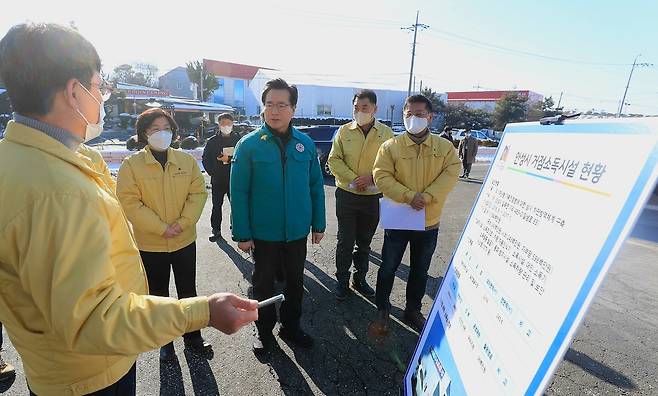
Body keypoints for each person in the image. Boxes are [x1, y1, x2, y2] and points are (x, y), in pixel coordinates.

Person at [0, 23, 257, 395]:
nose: (103, 97)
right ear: (75, 92)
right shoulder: (60, 192)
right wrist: (205, 312)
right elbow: (96, 320)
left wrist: (182, 222)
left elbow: (195, 193)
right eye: (99, 87)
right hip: (91, 375)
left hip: (56, 365)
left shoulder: (32, 159)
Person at [231, 78, 326, 354]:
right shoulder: (248, 145)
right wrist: (243, 233)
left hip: (296, 232)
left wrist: (318, 223)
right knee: (263, 284)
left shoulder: (305, 144)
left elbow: (315, 186)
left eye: (282, 105)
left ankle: (291, 327)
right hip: (264, 233)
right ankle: (264, 331)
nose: (275, 110)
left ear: (293, 109)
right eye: (269, 104)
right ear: (263, 107)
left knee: (296, 282)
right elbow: (239, 193)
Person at [117, 108, 213, 361]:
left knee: (188, 290)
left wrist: (183, 223)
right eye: (155, 129)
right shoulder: (132, 165)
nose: (162, 134)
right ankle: (164, 342)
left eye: (167, 128)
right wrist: (162, 228)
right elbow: (129, 203)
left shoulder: (186, 161)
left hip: (184, 240)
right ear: (143, 134)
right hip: (150, 243)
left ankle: (193, 337)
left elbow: (198, 193)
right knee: (157, 294)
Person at [372, 94, 461, 333]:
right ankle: (382, 307)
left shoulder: (444, 148)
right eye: (409, 114)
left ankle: (412, 310)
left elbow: (452, 172)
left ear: (430, 117)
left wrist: (428, 196)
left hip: (428, 222)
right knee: (388, 266)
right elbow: (381, 176)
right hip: (398, 219)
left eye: (420, 114)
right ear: (403, 115)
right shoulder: (391, 146)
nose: (414, 118)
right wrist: (409, 195)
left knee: (420, 270)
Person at [327, 89, 394, 300]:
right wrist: (354, 179)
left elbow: (393, 163)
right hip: (347, 194)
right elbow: (334, 160)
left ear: (375, 108)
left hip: (373, 198)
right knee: (345, 241)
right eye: (356, 108)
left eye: (365, 107)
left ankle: (360, 279)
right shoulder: (344, 131)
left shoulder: (386, 134)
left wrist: (373, 178)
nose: (360, 111)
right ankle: (342, 281)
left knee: (364, 242)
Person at [202, 112, 241, 242]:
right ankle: (216, 230)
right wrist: (213, 172)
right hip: (218, 180)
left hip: (235, 179)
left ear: (232, 124)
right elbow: (205, 159)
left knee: (236, 205)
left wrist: (229, 159)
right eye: (223, 123)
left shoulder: (239, 140)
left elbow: (243, 158)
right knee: (216, 205)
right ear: (218, 125)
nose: (226, 126)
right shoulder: (212, 141)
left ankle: (236, 229)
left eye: (228, 123)